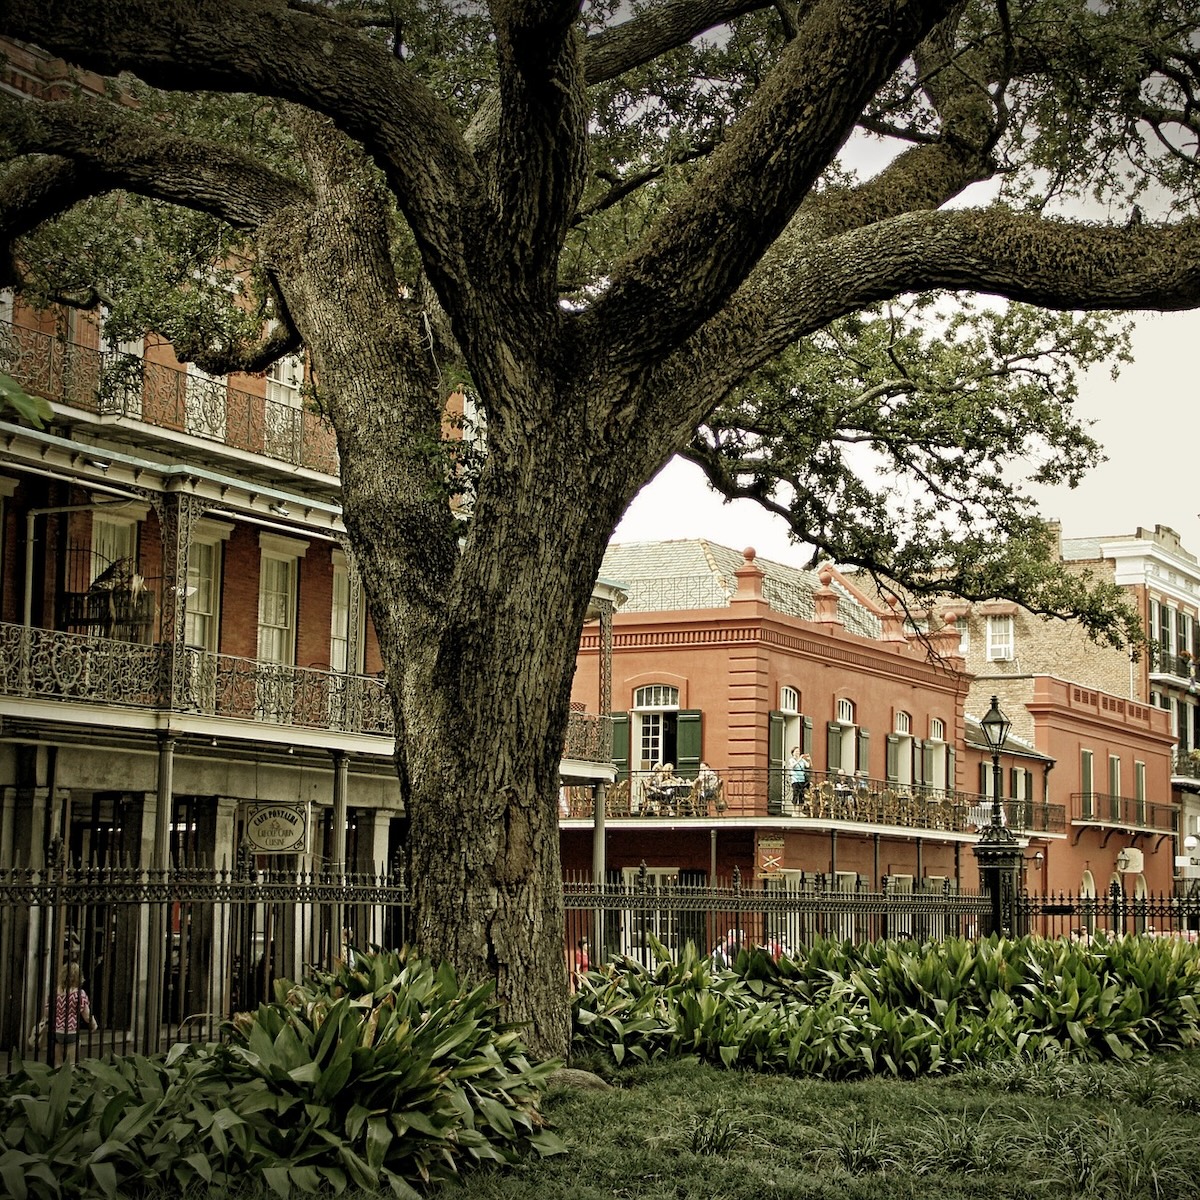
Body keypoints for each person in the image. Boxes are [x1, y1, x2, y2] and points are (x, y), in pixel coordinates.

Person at [48, 960, 95, 1066]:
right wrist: (93, 1025)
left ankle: (57, 1079)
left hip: (58, 1030)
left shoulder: (56, 992)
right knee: (71, 1062)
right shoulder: (79, 994)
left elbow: (47, 1012)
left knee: (58, 1061)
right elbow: (87, 1015)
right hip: (72, 1030)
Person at [788, 747, 811, 814]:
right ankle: (794, 811)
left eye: (798, 751)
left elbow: (808, 765)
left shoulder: (802, 760)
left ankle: (800, 811)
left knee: (801, 796)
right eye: (796, 751)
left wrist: (809, 760)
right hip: (795, 780)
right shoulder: (791, 760)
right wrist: (799, 759)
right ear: (793, 753)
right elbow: (792, 766)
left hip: (802, 779)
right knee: (795, 794)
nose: (798, 753)